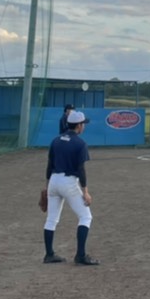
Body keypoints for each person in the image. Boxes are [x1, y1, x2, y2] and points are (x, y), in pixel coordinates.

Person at [42, 109, 98, 265]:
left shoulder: (56, 140)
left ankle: (49, 254)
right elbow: (81, 169)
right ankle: (80, 256)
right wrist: (85, 192)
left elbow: (49, 165)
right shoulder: (80, 143)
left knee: (51, 219)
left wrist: (47, 186)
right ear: (78, 125)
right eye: (83, 124)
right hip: (68, 182)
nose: (84, 126)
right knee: (86, 217)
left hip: (54, 180)